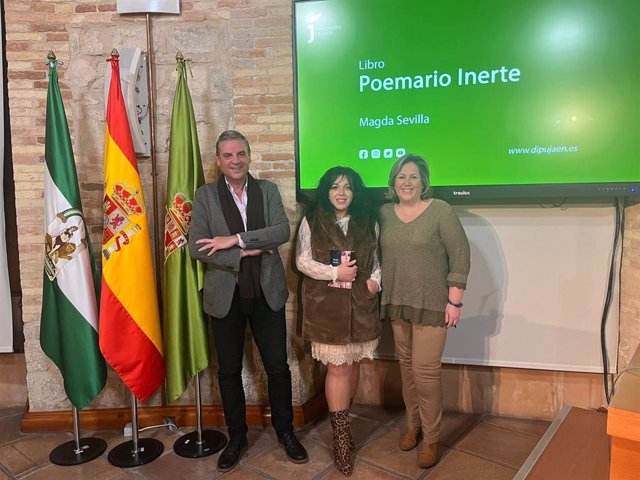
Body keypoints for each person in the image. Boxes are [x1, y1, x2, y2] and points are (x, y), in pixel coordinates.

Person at [189, 130, 308, 472]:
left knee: (277, 367)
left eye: (240, 154)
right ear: (218, 161)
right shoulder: (206, 196)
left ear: (249, 156)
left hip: (266, 294)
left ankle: (285, 431)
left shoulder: (267, 190)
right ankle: (236, 437)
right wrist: (247, 251)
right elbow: (197, 246)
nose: (235, 160)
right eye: (228, 155)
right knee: (228, 371)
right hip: (225, 297)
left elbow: (281, 232)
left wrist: (232, 239)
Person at [379, 154, 470, 469]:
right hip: (397, 302)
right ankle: (412, 424)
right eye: (401, 176)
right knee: (406, 368)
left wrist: (455, 301)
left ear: (423, 182)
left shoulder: (440, 211)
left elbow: (460, 255)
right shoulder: (383, 214)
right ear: (393, 181)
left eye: (413, 177)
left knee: (425, 373)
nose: (406, 182)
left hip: (433, 304)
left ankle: (432, 438)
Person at [295, 166, 381, 476]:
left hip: (361, 305)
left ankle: (347, 421)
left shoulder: (368, 221)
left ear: (355, 192)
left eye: (347, 187)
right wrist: (335, 273)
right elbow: (301, 260)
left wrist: (375, 282)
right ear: (326, 191)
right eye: (335, 187)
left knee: (354, 363)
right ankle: (341, 438)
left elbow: (377, 261)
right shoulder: (312, 218)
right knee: (338, 367)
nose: (341, 193)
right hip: (326, 306)